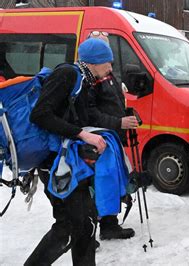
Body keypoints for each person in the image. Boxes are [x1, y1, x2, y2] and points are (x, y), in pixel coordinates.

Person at [26, 38, 112, 266]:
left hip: (71, 162)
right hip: (54, 163)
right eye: (107, 62)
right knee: (69, 226)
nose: (110, 68)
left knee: (87, 224)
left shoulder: (85, 81)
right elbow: (40, 114)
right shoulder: (67, 75)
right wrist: (82, 134)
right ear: (94, 62)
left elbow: (80, 116)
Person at [87, 31, 137, 240]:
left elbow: (114, 102)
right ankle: (94, 230)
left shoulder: (109, 74)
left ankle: (109, 224)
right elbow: (91, 113)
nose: (107, 55)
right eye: (101, 48)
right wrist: (118, 122)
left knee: (113, 180)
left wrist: (126, 115)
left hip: (113, 137)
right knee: (99, 184)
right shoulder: (91, 79)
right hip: (99, 140)